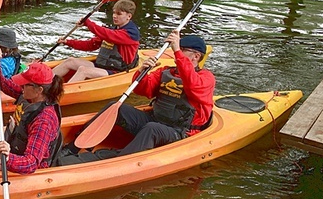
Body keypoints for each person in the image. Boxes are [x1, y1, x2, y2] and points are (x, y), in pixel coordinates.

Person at [58, 31, 215, 165]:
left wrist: (177, 51)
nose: (176, 52)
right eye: (177, 49)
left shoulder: (206, 78)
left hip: (180, 132)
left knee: (152, 129)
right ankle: (72, 147)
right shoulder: (166, 72)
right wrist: (143, 72)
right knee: (116, 108)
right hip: (155, 119)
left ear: (196, 56)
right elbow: (142, 91)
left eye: (182, 50)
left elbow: (193, 85)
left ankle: (120, 161)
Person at [52, 0, 140, 82]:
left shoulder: (131, 33)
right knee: (70, 61)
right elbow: (91, 45)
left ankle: (62, 93)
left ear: (129, 16)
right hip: (102, 66)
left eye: (119, 14)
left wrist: (88, 23)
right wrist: (68, 42)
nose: (114, 16)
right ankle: (43, 82)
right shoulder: (113, 30)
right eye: (114, 13)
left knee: (83, 70)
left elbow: (108, 34)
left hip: (117, 72)